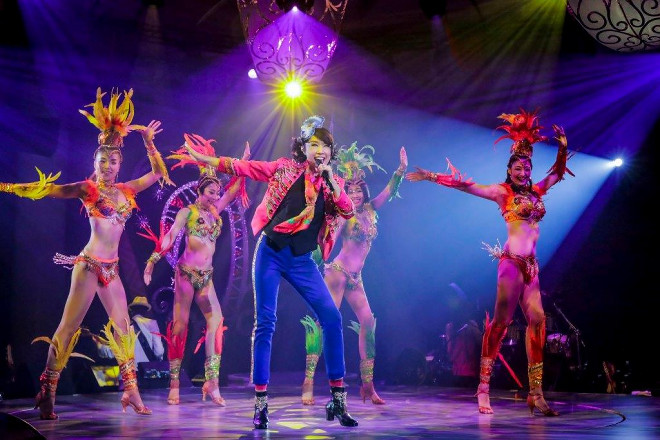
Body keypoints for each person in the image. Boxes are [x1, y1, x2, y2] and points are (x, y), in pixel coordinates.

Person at [1, 87, 172, 419]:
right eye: (102, 161)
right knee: (68, 328)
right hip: (89, 265)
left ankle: (131, 392)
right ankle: (48, 391)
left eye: (113, 161)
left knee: (124, 329)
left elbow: (158, 174)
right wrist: (7, 187)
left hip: (112, 269)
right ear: (94, 162)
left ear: (120, 164)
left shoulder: (127, 190)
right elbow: (50, 189)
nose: (107, 166)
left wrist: (149, 142)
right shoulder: (88, 189)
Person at [186, 116, 359, 429]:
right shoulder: (284, 169)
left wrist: (332, 181)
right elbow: (242, 167)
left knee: (332, 318)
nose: (320, 150)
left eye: (325, 146)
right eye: (314, 144)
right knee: (266, 322)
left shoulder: (332, 185)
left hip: (302, 261)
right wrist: (205, 159)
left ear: (331, 153)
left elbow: (348, 210)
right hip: (271, 253)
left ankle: (337, 399)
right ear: (303, 149)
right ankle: (261, 403)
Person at [406, 109, 573, 416]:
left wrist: (562, 149)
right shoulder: (501, 192)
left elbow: (556, 175)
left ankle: (536, 393)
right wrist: (431, 176)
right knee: (501, 323)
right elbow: (466, 186)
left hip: (532, 267)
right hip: (511, 263)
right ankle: (483, 389)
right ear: (509, 170)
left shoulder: (536, 192)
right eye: (518, 167)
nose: (523, 171)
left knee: (538, 322)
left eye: (527, 167)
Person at [142, 134, 250, 406]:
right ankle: (174, 384)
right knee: (180, 326)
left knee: (216, 322)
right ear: (200, 192)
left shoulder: (216, 212)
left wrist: (243, 164)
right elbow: (170, 237)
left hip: (207, 277)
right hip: (186, 274)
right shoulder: (187, 213)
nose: (215, 197)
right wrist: (153, 260)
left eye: (217, 193)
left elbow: (233, 191)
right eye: (211, 193)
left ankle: (211, 382)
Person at [299, 142, 407, 406]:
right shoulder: (344, 214)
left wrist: (400, 171)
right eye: (351, 191)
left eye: (359, 191)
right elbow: (330, 240)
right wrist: (315, 258)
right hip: (337, 274)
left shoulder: (370, 210)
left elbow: (388, 192)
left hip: (356, 279)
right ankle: (308, 381)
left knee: (368, 322)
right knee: (325, 323)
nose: (356, 195)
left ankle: (367, 385)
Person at [445, 317, 482, 388]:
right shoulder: (472, 327)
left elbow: (449, 350)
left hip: (458, 370)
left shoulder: (450, 327)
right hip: (470, 371)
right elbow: (482, 344)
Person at [128, 296, 165, 364]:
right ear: (145, 311)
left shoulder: (127, 324)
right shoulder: (152, 323)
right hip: (148, 366)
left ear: (132, 310)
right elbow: (159, 351)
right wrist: (159, 359)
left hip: (131, 367)